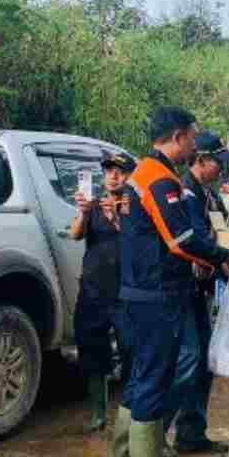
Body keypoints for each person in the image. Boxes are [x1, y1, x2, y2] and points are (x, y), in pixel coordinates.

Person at [108, 107, 229, 457]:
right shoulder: (158, 179)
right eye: (191, 137)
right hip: (158, 295)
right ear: (178, 136)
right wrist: (225, 257)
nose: (192, 144)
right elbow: (181, 239)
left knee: (141, 377)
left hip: (143, 293)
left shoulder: (150, 175)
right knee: (154, 378)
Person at [165, 131, 229, 456]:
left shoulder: (208, 196)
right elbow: (191, 241)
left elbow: (218, 236)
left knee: (202, 358)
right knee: (189, 357)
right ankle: (157, 432)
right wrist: (224, 258)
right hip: (181, 288)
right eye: (218, 162)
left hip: (202, 288)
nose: (222, 169)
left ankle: (192, 432)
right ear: (202, 160)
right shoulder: (182, 193)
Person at [70, 151, 137, 433]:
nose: (113, 176)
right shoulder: (94, 205)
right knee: (92, 350)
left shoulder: (136, 206)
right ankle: (98, 414)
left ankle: (132, 415)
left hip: (126, 292)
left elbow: (137, 240)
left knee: (131, 350)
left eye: (119, 171)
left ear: (129, 176)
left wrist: (118, 217)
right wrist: (86, 213)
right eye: (109, 171)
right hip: (94, 290)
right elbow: (76, 234)